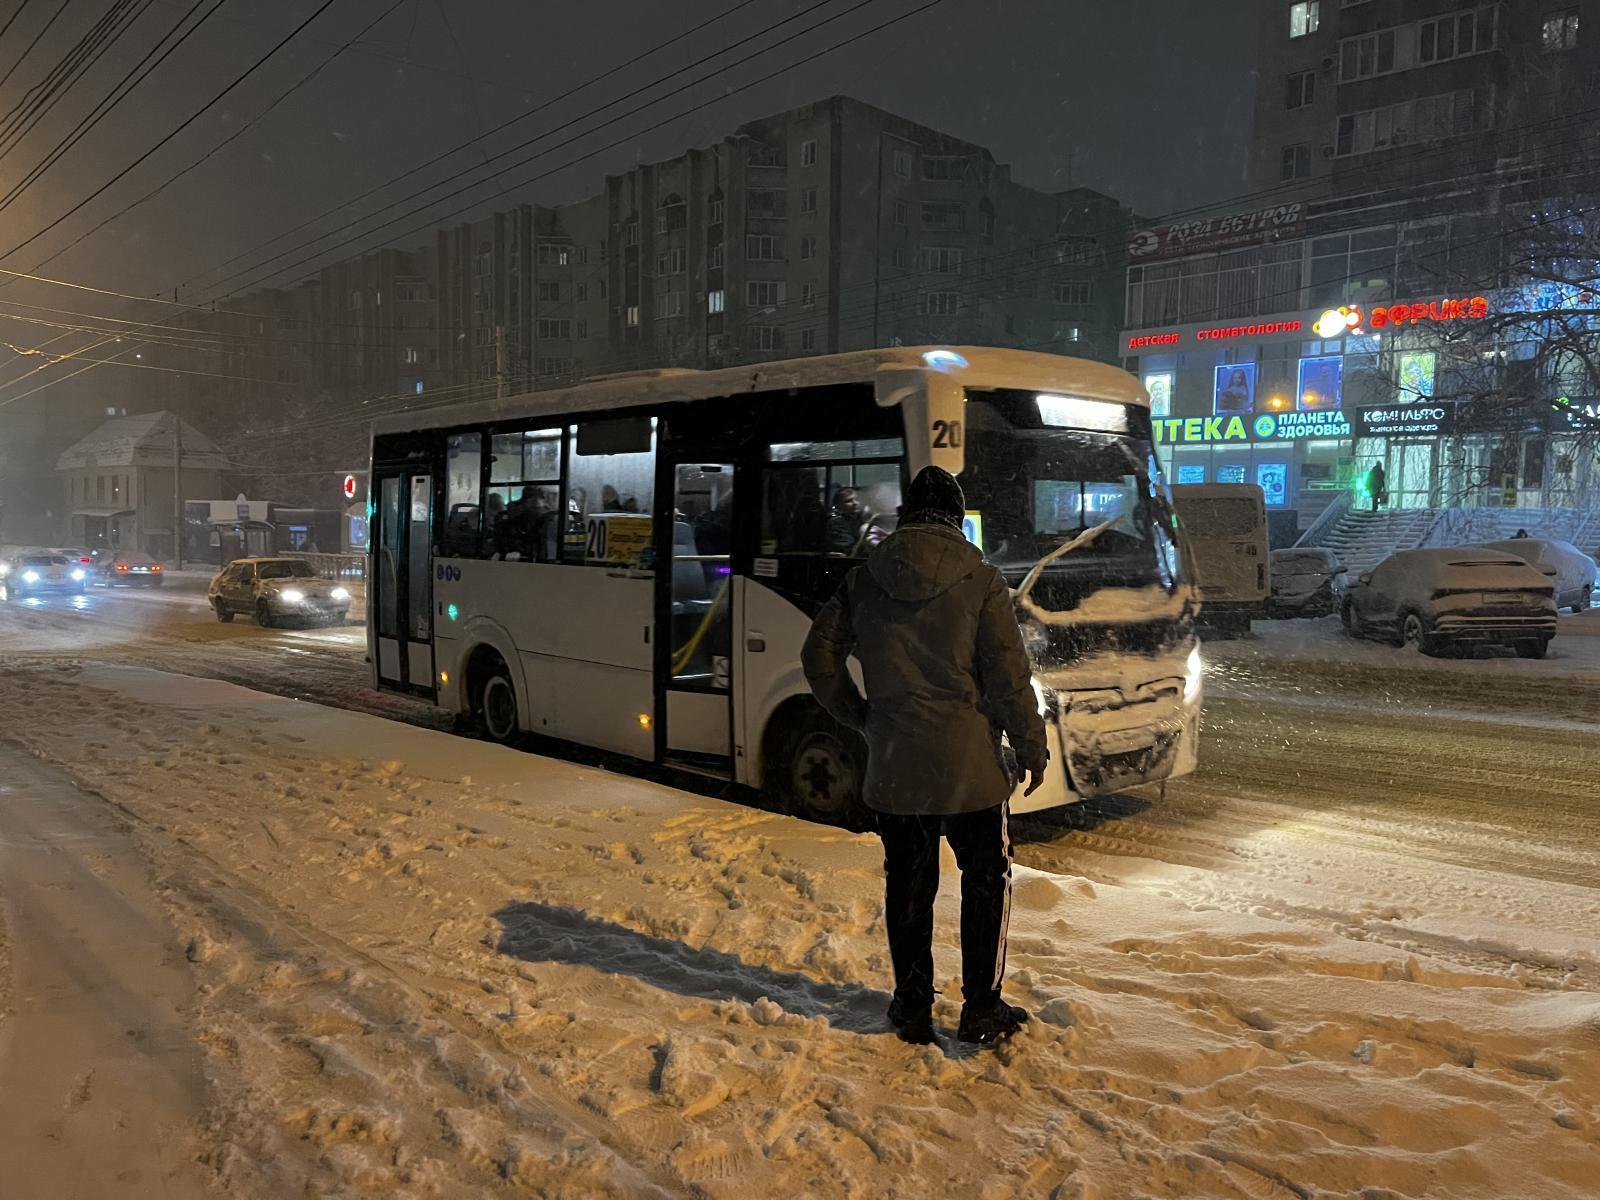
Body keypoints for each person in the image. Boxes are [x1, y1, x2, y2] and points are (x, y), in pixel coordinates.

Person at [801, 465, 1049, 1048]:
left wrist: (859, 715)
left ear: (908, 514)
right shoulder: (983, 580)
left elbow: (818, 659)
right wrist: (1031, 745)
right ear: (956, 520)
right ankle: (980, 1008)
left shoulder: (863, 579)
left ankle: (912, 1004)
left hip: (896, 767)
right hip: (972, 773)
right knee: (986, 881)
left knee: (908, 886)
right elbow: (1011, 678)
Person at [826, 487, 869, 555]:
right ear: (838, 505)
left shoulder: (863, 518)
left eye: (857, 499)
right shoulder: (837, 522)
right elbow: (847, 548)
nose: (855, 503)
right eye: (848, 501)